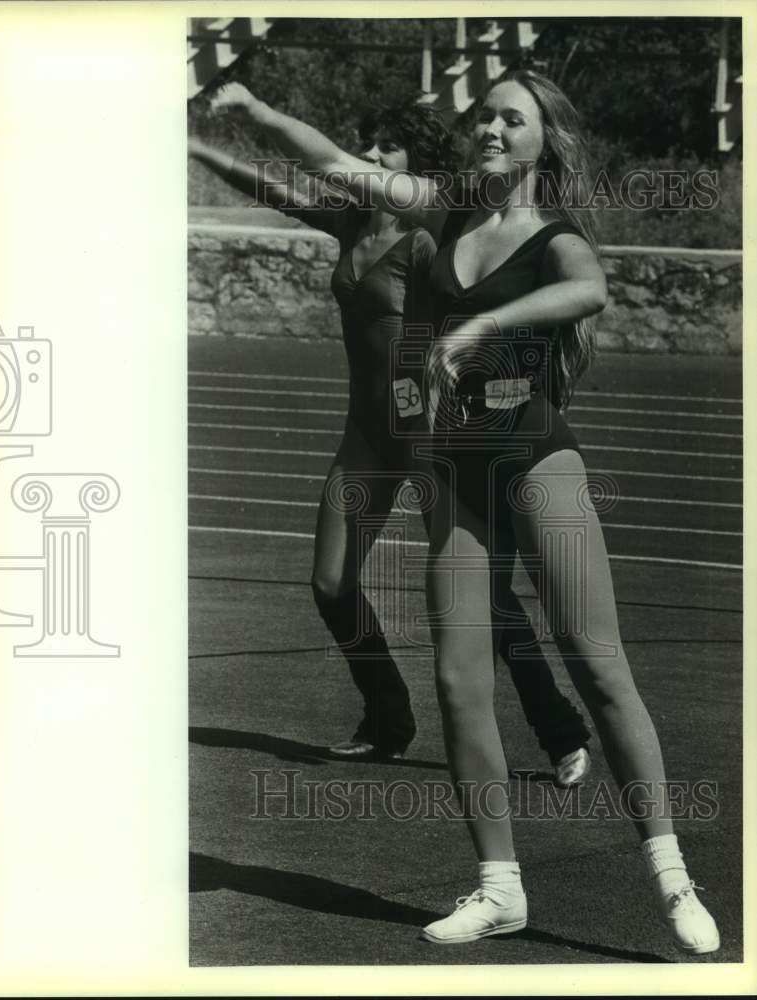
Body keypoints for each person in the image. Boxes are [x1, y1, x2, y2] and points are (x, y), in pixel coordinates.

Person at [203, 72, 721, 957]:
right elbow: (331, 162)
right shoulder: (443, 211)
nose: (488, 127)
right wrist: (253, 113)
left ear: (539, 141)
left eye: (508, 119)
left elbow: (586, 290)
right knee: (456, 682)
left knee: (597, 668)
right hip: (455, 472)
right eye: (482, 114)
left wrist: (479, 330)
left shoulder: (550, 235)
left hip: (536, 464)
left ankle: (671, 876)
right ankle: (498, 887)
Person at [190, 97, 592, 784]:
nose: (373, 157)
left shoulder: (429, 236)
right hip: (366, 436)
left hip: (430, 434)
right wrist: (195, 148)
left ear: (415, 164)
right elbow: (271, 185)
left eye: (388, 148)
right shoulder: (351, 223)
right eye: (367, 144)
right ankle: (387, 716)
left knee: (485, 601)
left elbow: (486, 293)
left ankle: (559, 731)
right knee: (330, 581)